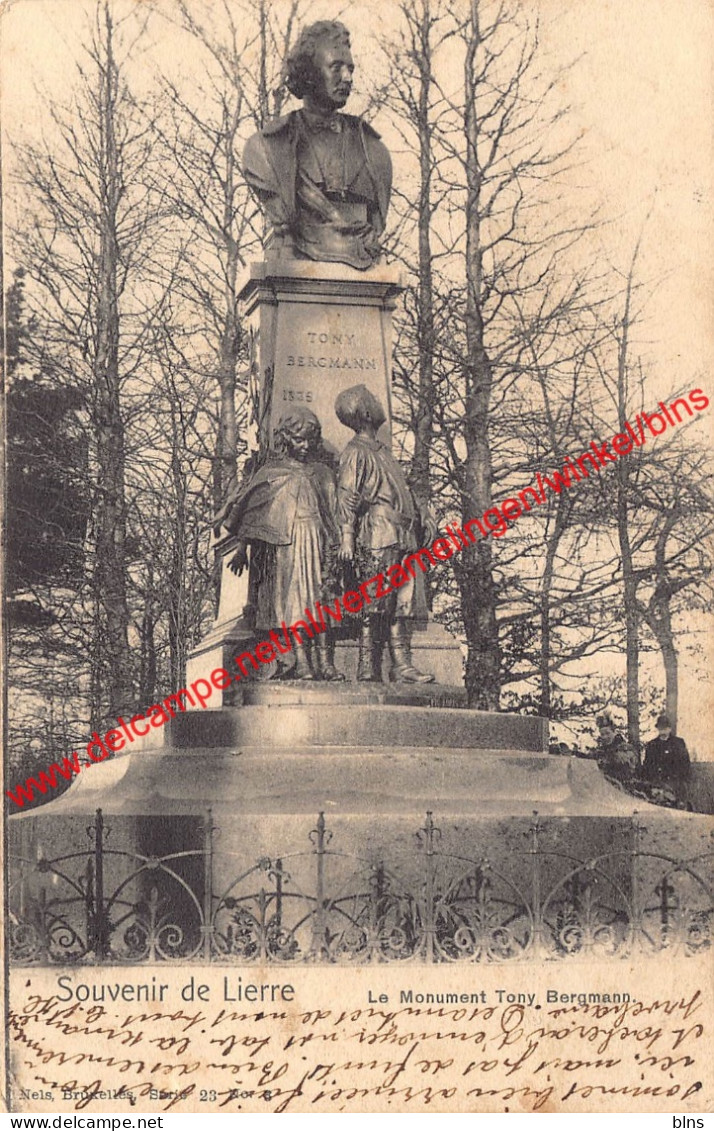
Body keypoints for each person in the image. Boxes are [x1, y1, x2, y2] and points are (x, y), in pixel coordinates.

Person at [243, 20, 392, 270]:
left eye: (350, 69)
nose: (347, 78)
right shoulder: (266, 148)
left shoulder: (373, 150)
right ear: (309, 73)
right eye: (336, 67)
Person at [217, 408, 343, 681]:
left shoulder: (321, 473)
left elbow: (333, 511)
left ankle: (326, 662)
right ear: (286, 439)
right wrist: (242, 549)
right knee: (295, 602)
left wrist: (339, 542)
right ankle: (302, 661)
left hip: (318, 540)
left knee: (323, 600)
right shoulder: (272, 472)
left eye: (310, 440)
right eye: (299, 440)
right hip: (289, 544)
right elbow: (255, 511)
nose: (305, 446)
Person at [335, 384, 433, 684]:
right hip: (379, 532)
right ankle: (367, 666)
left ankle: (401, 664)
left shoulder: (383, 451)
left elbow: (401, 491)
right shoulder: (355, 452)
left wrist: (423, 517)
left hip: (402, 532)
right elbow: (347, 495)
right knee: (375, 600)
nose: (381, 403)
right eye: (375, 400)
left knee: (401, 603)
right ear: (366, 413)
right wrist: (348, 535)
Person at [643, 714, 691, 784]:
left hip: (675, 782)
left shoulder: (678, 743)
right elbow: (647, 765)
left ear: (670, 728)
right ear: (658, 728)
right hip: (656, 782)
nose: (663, 729)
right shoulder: (652, 745)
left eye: (665, 727)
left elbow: (685, 764)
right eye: (661, 727)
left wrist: (682, 781)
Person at [593, 714, 638, 784]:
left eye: (608, 733)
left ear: (614, 732)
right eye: (602, 734)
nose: (605, 737)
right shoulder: (600, 751)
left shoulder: (626, 748)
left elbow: (624, 762)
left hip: (624, 786)